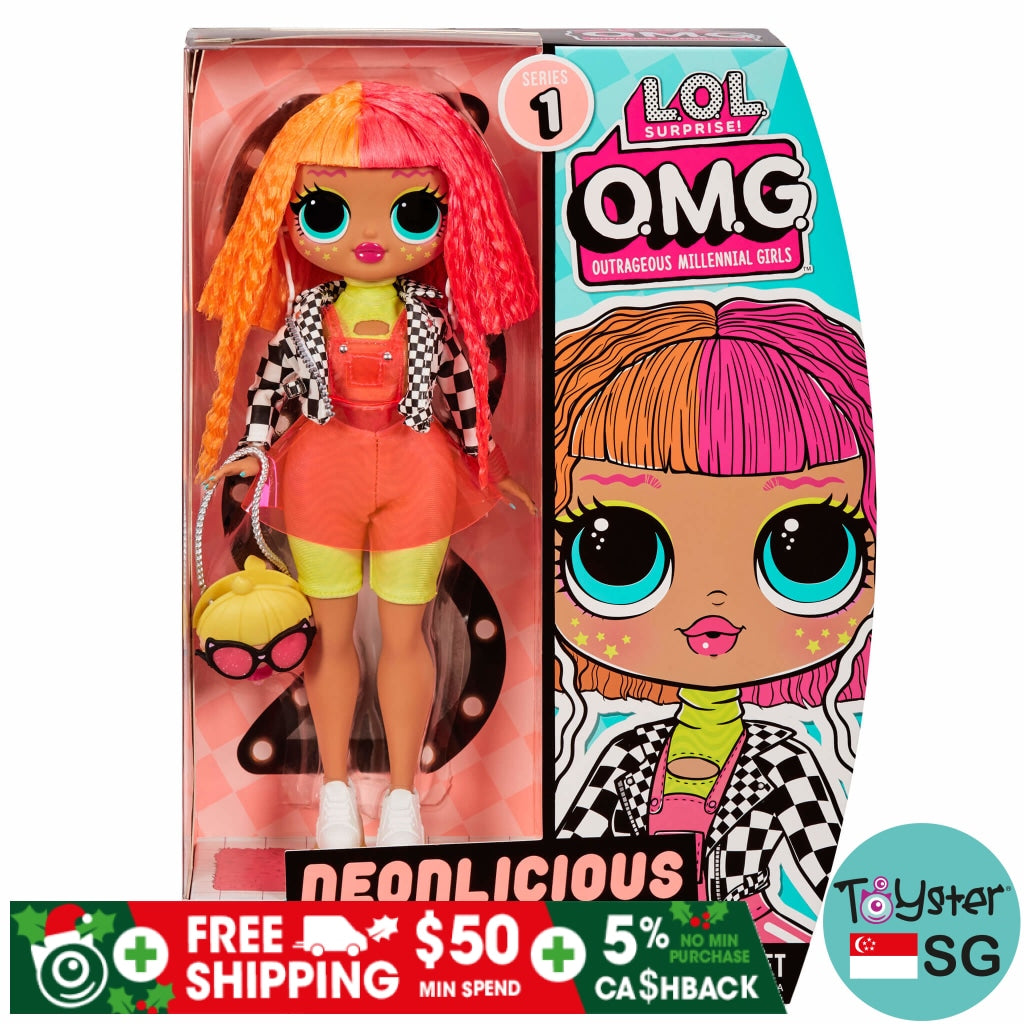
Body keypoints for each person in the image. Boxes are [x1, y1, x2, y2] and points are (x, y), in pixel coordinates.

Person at [196, 80, 537, 848]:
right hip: (325, 468)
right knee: (330, 635)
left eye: (413, 212)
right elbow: (270, 386)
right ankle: (336, 792)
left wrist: (488, 460)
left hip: (418, 471)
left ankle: (406, 799)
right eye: (327, 212)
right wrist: (248, 449)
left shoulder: (434, 317)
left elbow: (465, 391)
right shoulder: (306, 314)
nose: (373, 237)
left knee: (409, 635)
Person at [553, 297, 874, 941]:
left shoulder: (784, 764)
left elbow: (837, 886)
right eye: (618, 552)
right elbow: (565, 870)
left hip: (750, 955)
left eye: (808, 550)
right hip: (631, 948)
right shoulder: (627, 755)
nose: (715, 602)